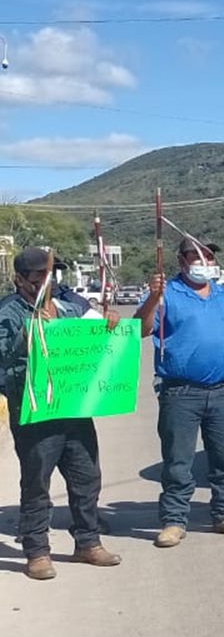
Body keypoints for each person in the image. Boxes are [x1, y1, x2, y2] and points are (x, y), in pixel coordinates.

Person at [0, 247, 122, 579]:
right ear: (20, 279)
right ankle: (37, 552)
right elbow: (3, 368)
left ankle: (88, 542)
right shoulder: (7, 313)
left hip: (75, 409)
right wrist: (25, 338)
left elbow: (92, 347)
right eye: (38, 274)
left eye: (49, 273)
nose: (45, 280)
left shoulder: (69, 309)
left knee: (87, 478)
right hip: (36, 414)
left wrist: (108, 326)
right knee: (37, 482)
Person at [134, 239, 224, 548]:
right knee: (177, 461)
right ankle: (174, 520)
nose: (205, 261)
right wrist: (152, 298)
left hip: (223, 391)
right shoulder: (166, 295)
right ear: (181, 260)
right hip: (180, 393)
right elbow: (141, 329)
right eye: (197, 255)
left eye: (210, 256)